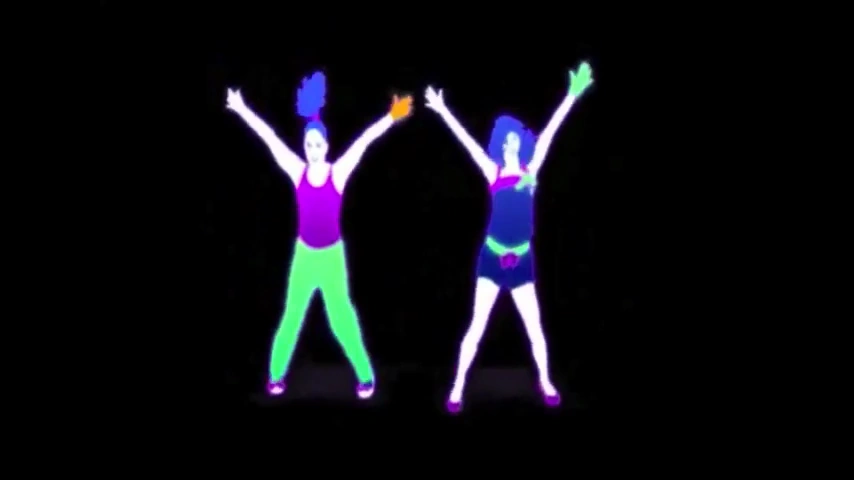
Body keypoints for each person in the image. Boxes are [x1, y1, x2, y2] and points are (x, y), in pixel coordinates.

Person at [227, 71, 413, 399]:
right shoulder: (296, 170)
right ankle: (275, 377)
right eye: (308, 144)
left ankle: (366, 378)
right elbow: (269, 137)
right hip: (304, 257)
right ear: (304, 146)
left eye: (317, 144)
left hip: (331, 259)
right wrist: (242, 109)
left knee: (342, 320)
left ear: (326, 146)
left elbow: (364, 141)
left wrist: (390, 117)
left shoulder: (337, 173)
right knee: (291, 318)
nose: (312, 149)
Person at [424, 62, 594, 412]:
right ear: (500, 145)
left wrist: (571, 96)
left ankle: (545, 381)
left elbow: (551, 130)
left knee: (535, 328)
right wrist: (442, 110)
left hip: (523, 259)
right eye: (505, 139)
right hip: (491, 257)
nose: (510, 143)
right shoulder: (493, 171)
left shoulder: (532, 169)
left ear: (521, 142)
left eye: (515, 137)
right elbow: (467, 142)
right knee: (476, 326)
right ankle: (457, 386)